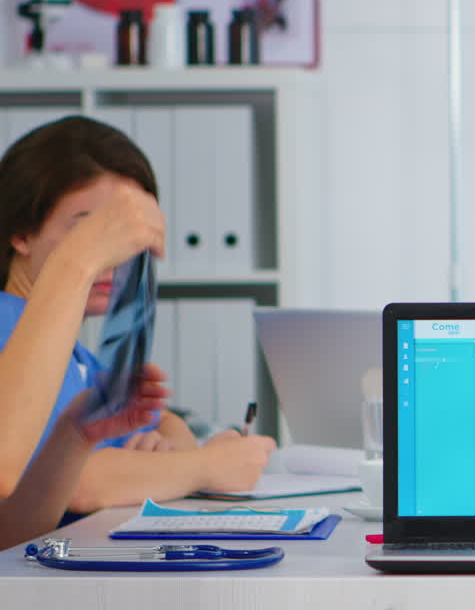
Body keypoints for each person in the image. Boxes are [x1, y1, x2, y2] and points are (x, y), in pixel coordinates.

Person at [0, 115, 276, 515]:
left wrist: (171, 448)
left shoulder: (77, 358)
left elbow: (164, 423)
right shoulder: (12, 327)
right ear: (22, 234)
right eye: (91, 232)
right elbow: (48, 481)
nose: (115, 258)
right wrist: (205, 466)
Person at [0, 364, 168, 549]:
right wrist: (195, 466)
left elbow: (165, 419)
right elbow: (85, 483)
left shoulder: (78, 359)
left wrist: (75, 436)